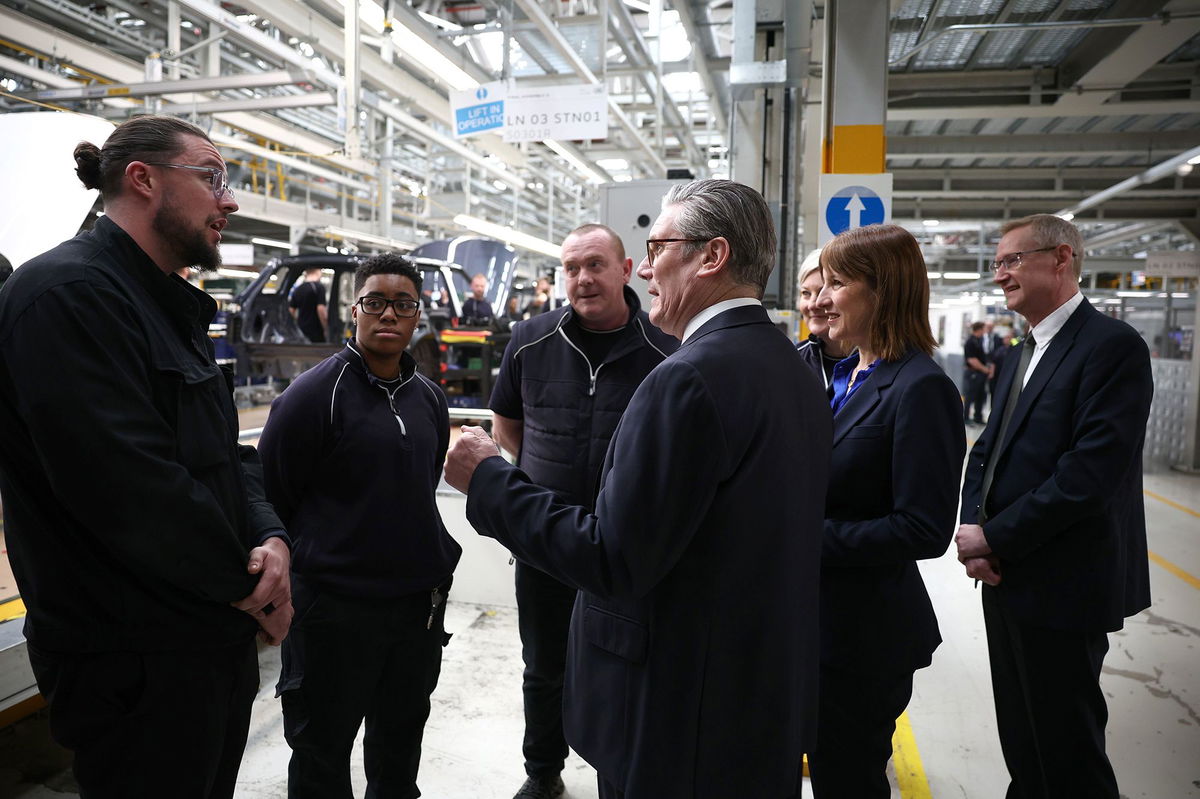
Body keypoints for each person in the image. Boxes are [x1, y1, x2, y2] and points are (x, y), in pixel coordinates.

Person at [446, 179, 831, 799]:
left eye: (657, 249)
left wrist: (488, 479)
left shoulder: (686, 377)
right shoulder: (791, 365)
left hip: (679, 709)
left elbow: (613, 558)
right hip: (756, 692)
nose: (646, 269)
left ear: (712, 256)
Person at [0, 115, 292, 798]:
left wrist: (271, 536)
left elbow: (225, 453)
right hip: (132, 664)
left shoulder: (168, 303)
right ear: (144, 179)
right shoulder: (65, 297)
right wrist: (252, 588)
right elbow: (128, 486)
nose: (231, 200)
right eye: (213, 177)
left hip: (204, 645)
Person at [955, 213, 1152, 799]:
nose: (1000, 276)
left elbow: (1088, 477)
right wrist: (972, 523)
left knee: (1067, 749)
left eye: (1012, 260)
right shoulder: (1024, 349)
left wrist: (997, 538)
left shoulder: (1111, 348)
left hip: (1066, 582)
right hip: (1007, 576)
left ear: (1061, 258)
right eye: (997, 264)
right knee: (1022, 737)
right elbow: (988, 447)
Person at [257, 252, 461, 798]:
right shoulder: (311, 397)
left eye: (402, 304)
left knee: (398, 754)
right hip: (334, 613)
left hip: (413, 611)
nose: (388, 315)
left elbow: (421, 486)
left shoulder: (430, 400)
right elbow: (275, 495)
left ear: (419, 314)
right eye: (375, 302)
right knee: (322, 754)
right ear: (355, 310)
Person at [488, 223, 676, 799]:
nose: (582, 278)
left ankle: (618, 773)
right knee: (544, 666)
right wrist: (539, 492)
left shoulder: (667, 352)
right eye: (570, 268)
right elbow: (507, 426)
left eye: (595, 264)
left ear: (626, 271)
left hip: (627, 546)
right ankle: (543, 771)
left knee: (626, 667)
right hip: (545, 543)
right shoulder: (530, 340)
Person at [805, 224, 966, 797]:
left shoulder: (920, 388)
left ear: (884, 292)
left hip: (862, 636)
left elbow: (923, 528)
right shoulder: (845, 376)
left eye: (836, 283)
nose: (820, 298)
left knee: (847, 776)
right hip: (815, 624)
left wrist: (802, 538)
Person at [795, 247, 853, 389]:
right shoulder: (791, 360)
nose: (814, 304)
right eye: (806, 293)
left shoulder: (876, 361)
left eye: (822, 291)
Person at [962, 321, 991, 424]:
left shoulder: (980, 341)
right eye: (983, 329)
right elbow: (971, 360)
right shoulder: (970, 342)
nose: (985, 331)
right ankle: (966, 418)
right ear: (979, 329)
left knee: (980, 396)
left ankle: (977, 417)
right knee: (970, 396)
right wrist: (984, 369)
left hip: (980, 373)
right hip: (973, 373)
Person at [289, 266, 328, 342]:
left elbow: (291, 310)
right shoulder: (319, 287)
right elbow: (321, 309)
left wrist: (298, 321)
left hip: (301, 330)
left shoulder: (298, 289)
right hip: (316, 331)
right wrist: (325, 328)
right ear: (317, 272)